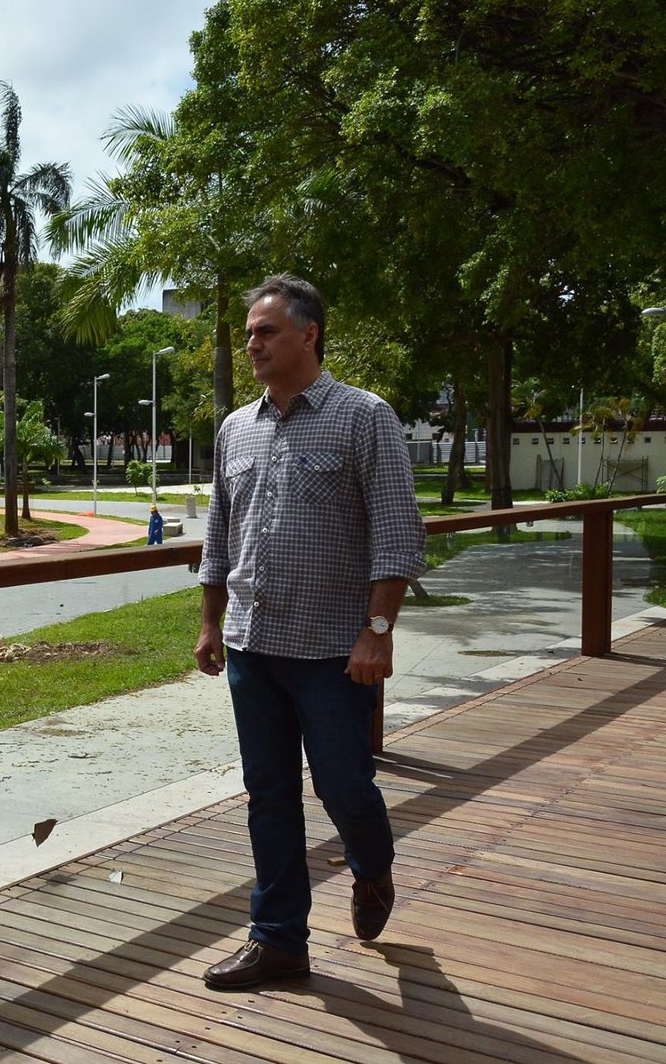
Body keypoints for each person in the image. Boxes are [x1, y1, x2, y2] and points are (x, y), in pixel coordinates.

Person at [194, 275, 426, 991]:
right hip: (252, 645)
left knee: (342, 783)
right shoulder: (236, 428)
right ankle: (278, 940)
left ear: (309, 334)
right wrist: (210, 622)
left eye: (265, 332)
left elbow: (397, 533)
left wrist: (377, 630)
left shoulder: (364, 417)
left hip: (332, 649)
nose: (252, 345)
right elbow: (219, 536)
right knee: (268, 792)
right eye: (249, 334)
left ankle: (373, 865)